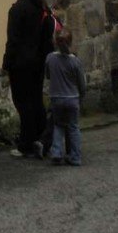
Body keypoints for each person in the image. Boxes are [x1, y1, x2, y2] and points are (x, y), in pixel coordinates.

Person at [2, 0, 54, 158]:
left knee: (23, 102)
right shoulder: (41, 7)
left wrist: (7, 62)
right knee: (36, 100)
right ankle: (42, 137)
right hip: (38, 61)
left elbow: (13, 40)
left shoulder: (17, 10)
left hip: (21, 63)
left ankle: (26, 142)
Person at [44, 31, 87, 166]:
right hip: (72, 98)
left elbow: (48, 75)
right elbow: (82, 83)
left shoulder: (50, 58)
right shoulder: (75, 61)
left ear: (56, 42)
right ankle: (75, 156)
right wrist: (81, 96)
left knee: (58, 125)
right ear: (70, 42)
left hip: (56, 97)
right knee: (73, 127)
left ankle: (56, 152)